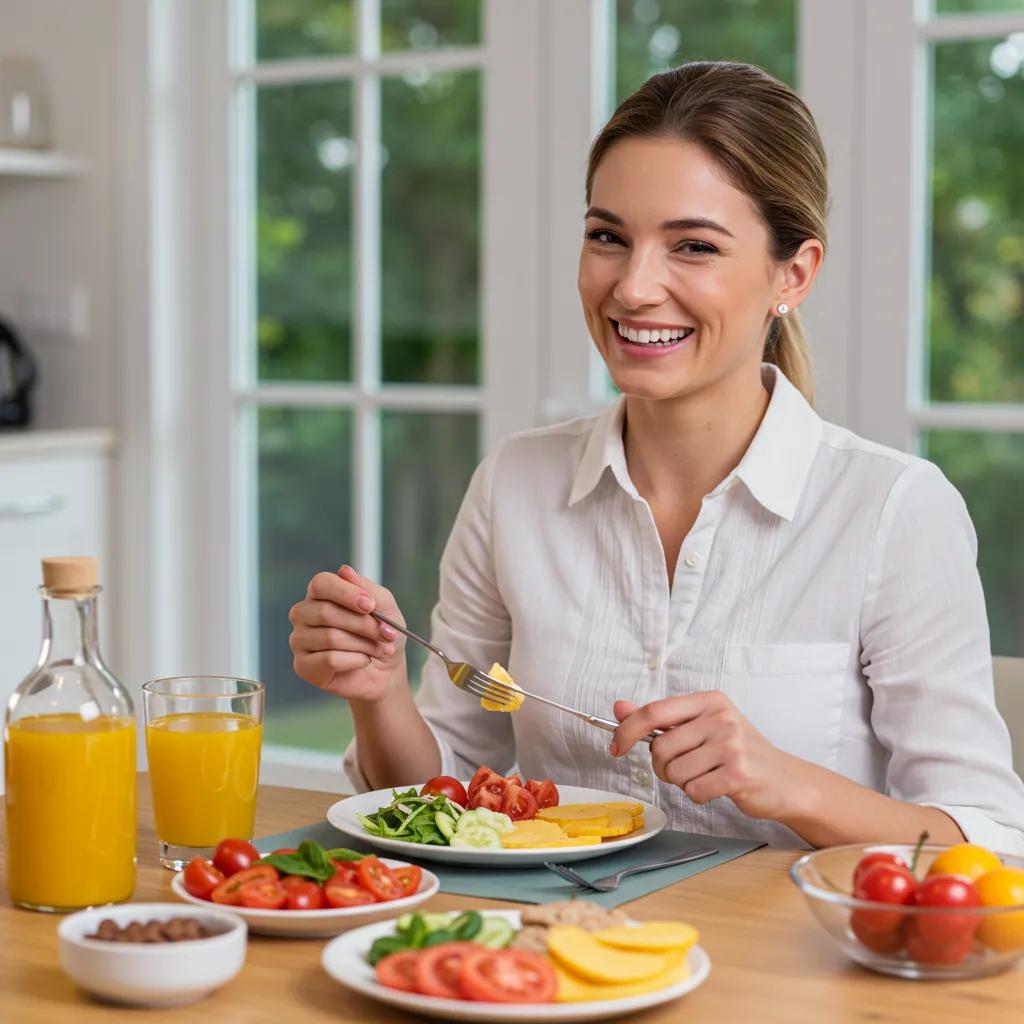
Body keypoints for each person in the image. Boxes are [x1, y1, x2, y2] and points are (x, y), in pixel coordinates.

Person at [288, 61, 1024, 851]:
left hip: (790, 969)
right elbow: (443, 786)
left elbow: (991, 839)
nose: (634, 287)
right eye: (609, 237)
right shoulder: (516, 483)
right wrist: (375, 697)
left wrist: (789, 783)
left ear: (793, 273)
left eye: (693, 246)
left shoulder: (893, 510)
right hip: (549, 950)